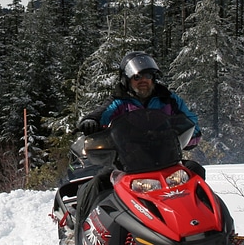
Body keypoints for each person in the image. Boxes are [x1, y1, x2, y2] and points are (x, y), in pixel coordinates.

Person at [72, 51, 205, 230]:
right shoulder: (119, 102)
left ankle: (207, 224)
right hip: (128, 164)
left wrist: (191, 134)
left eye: (148, 75)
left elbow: (190, 121)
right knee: (98, 184)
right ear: (127, 79)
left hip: (167, 160)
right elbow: (101, 113)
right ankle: (82, 229)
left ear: (153, 78)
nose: (143, 80)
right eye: (137, 76)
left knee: (195, 172)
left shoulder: (169, 100)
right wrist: (91, 122)